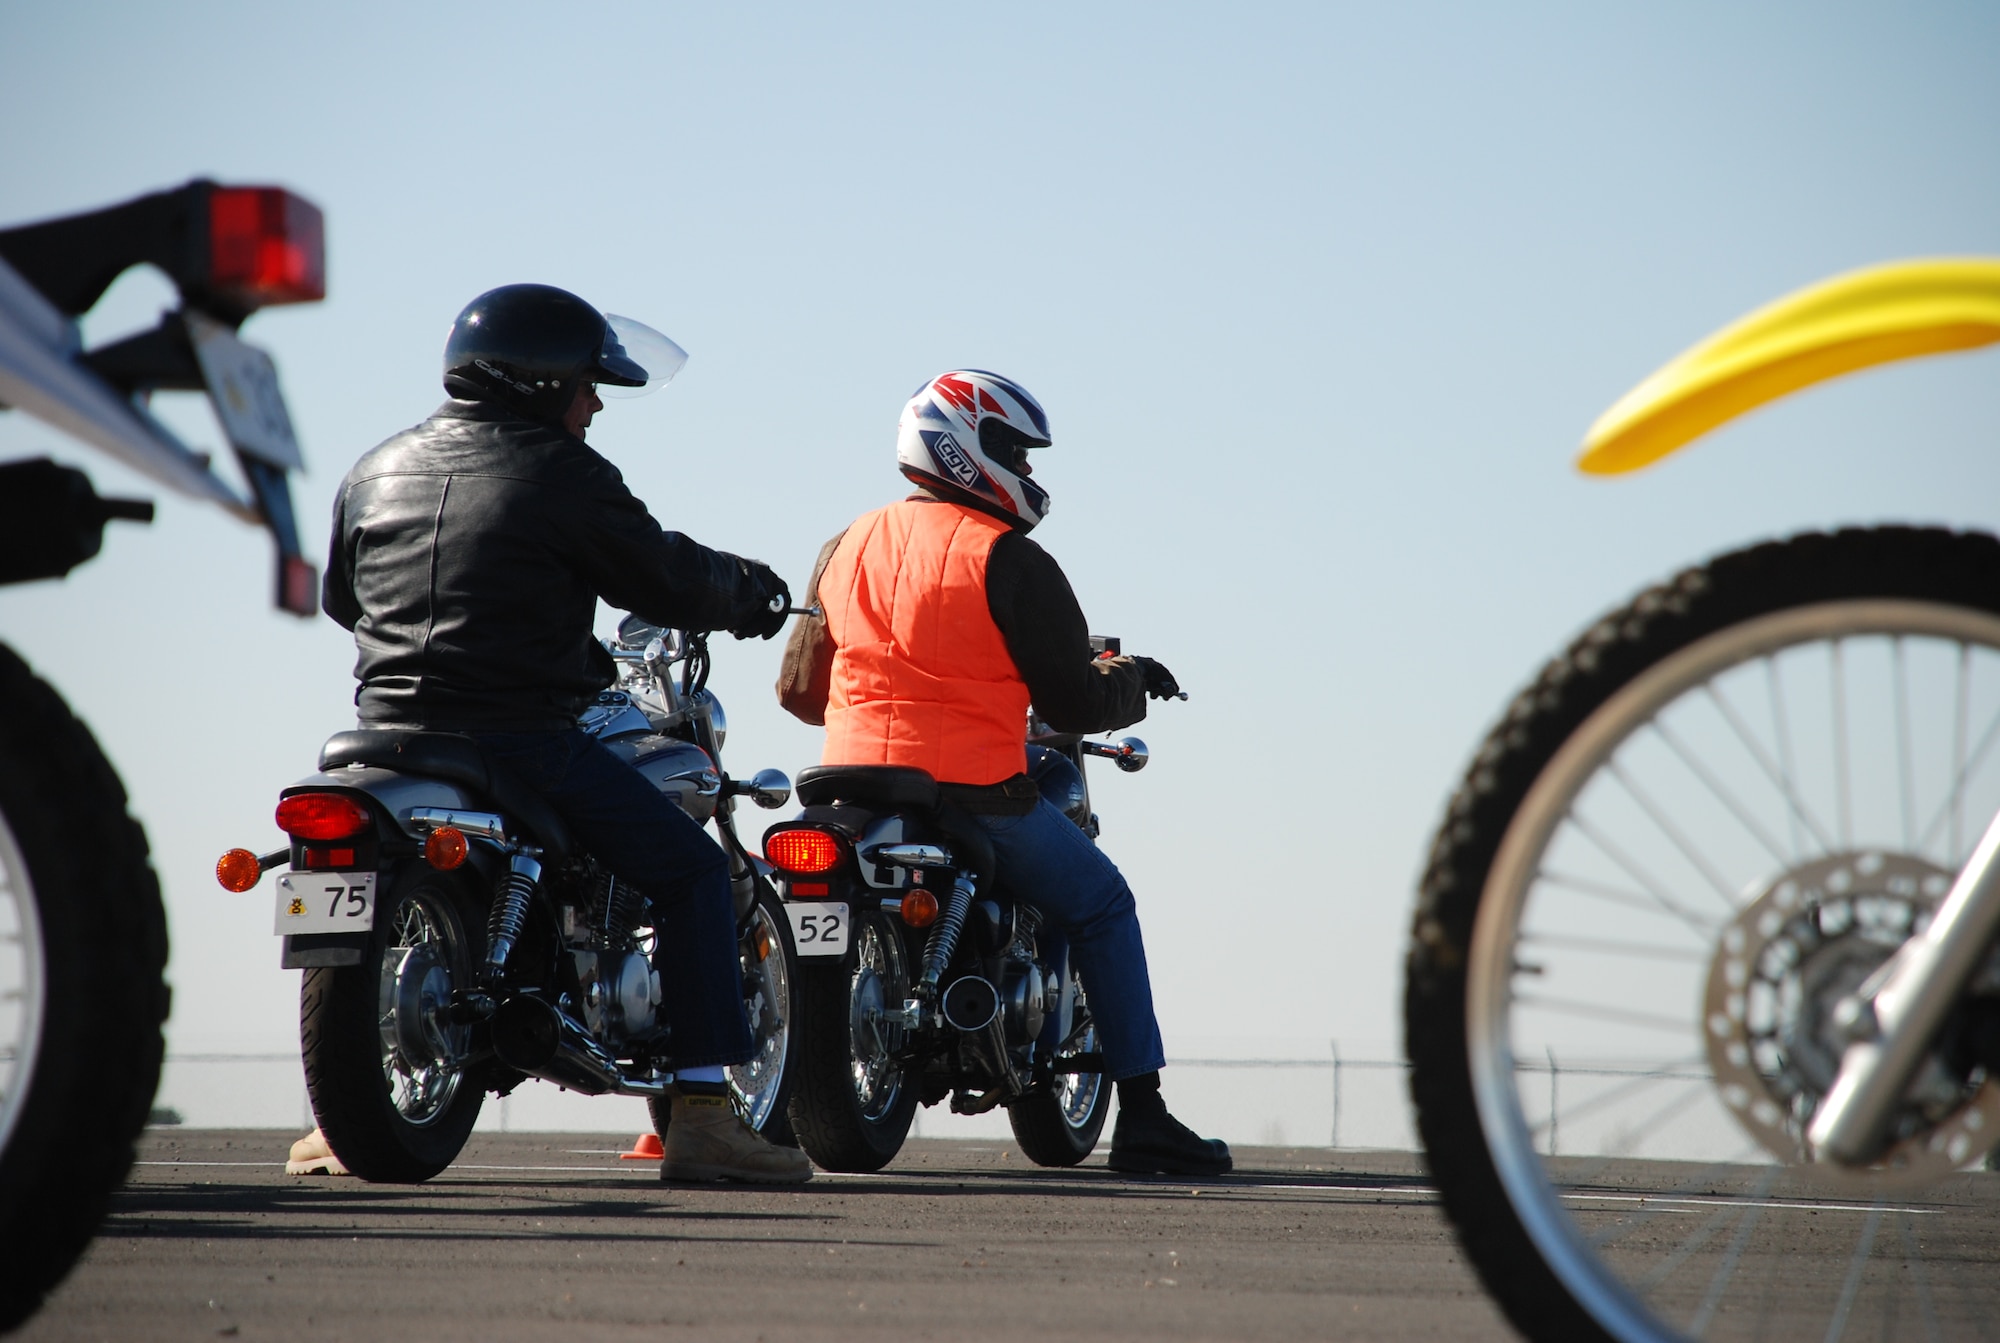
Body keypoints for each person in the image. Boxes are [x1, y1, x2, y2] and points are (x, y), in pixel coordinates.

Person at [290, 283, 811, 1185]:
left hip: (379, 735)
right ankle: (700, 1115)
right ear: (538, 383)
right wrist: (754, 591)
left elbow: (346, 598)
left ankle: (332, 1124)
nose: (595, 404)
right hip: (520, 736)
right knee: (689, 868)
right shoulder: (561, 472)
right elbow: (666, 576)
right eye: (586, 385)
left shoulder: (374, 468)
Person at [776, 369, 1231, 1176]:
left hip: (846, 786)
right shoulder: (1009, 559)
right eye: (1013, 449)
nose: (1026, 469)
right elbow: (1075, 700)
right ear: (964, 446)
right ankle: (1147, 1116)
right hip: (975, 790)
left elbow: (799, 692)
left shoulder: (842, 545)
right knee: (1102, 904)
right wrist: (1132, 677)